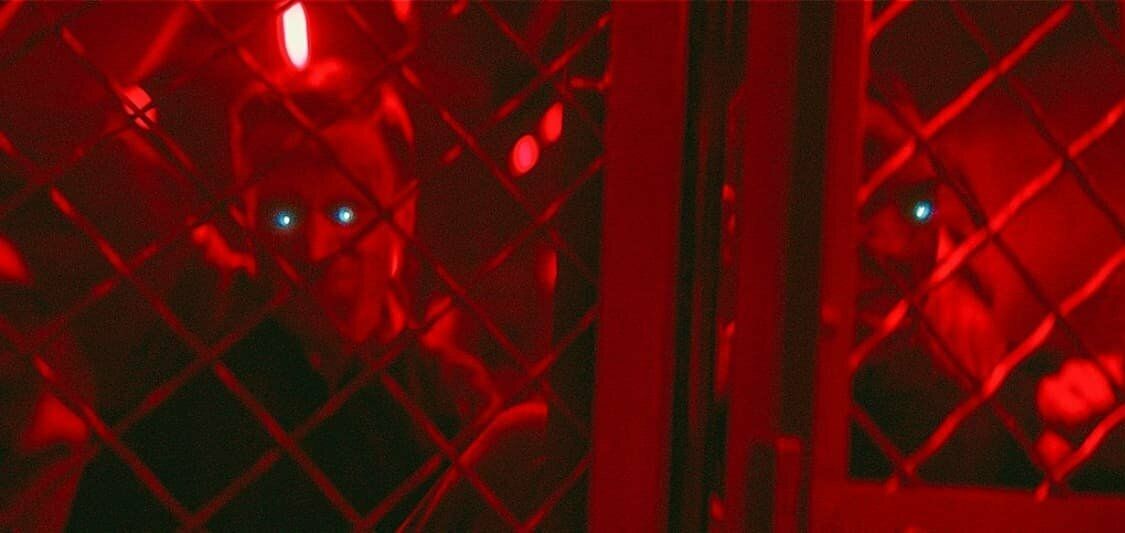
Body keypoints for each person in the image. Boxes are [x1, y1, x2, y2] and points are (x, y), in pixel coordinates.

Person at [65, 58, 549, 531]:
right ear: (245, 218)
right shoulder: (189, 350)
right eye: (284, 216)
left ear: (403, 214)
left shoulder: (452, 401)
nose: (316, 249)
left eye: (345, 213)